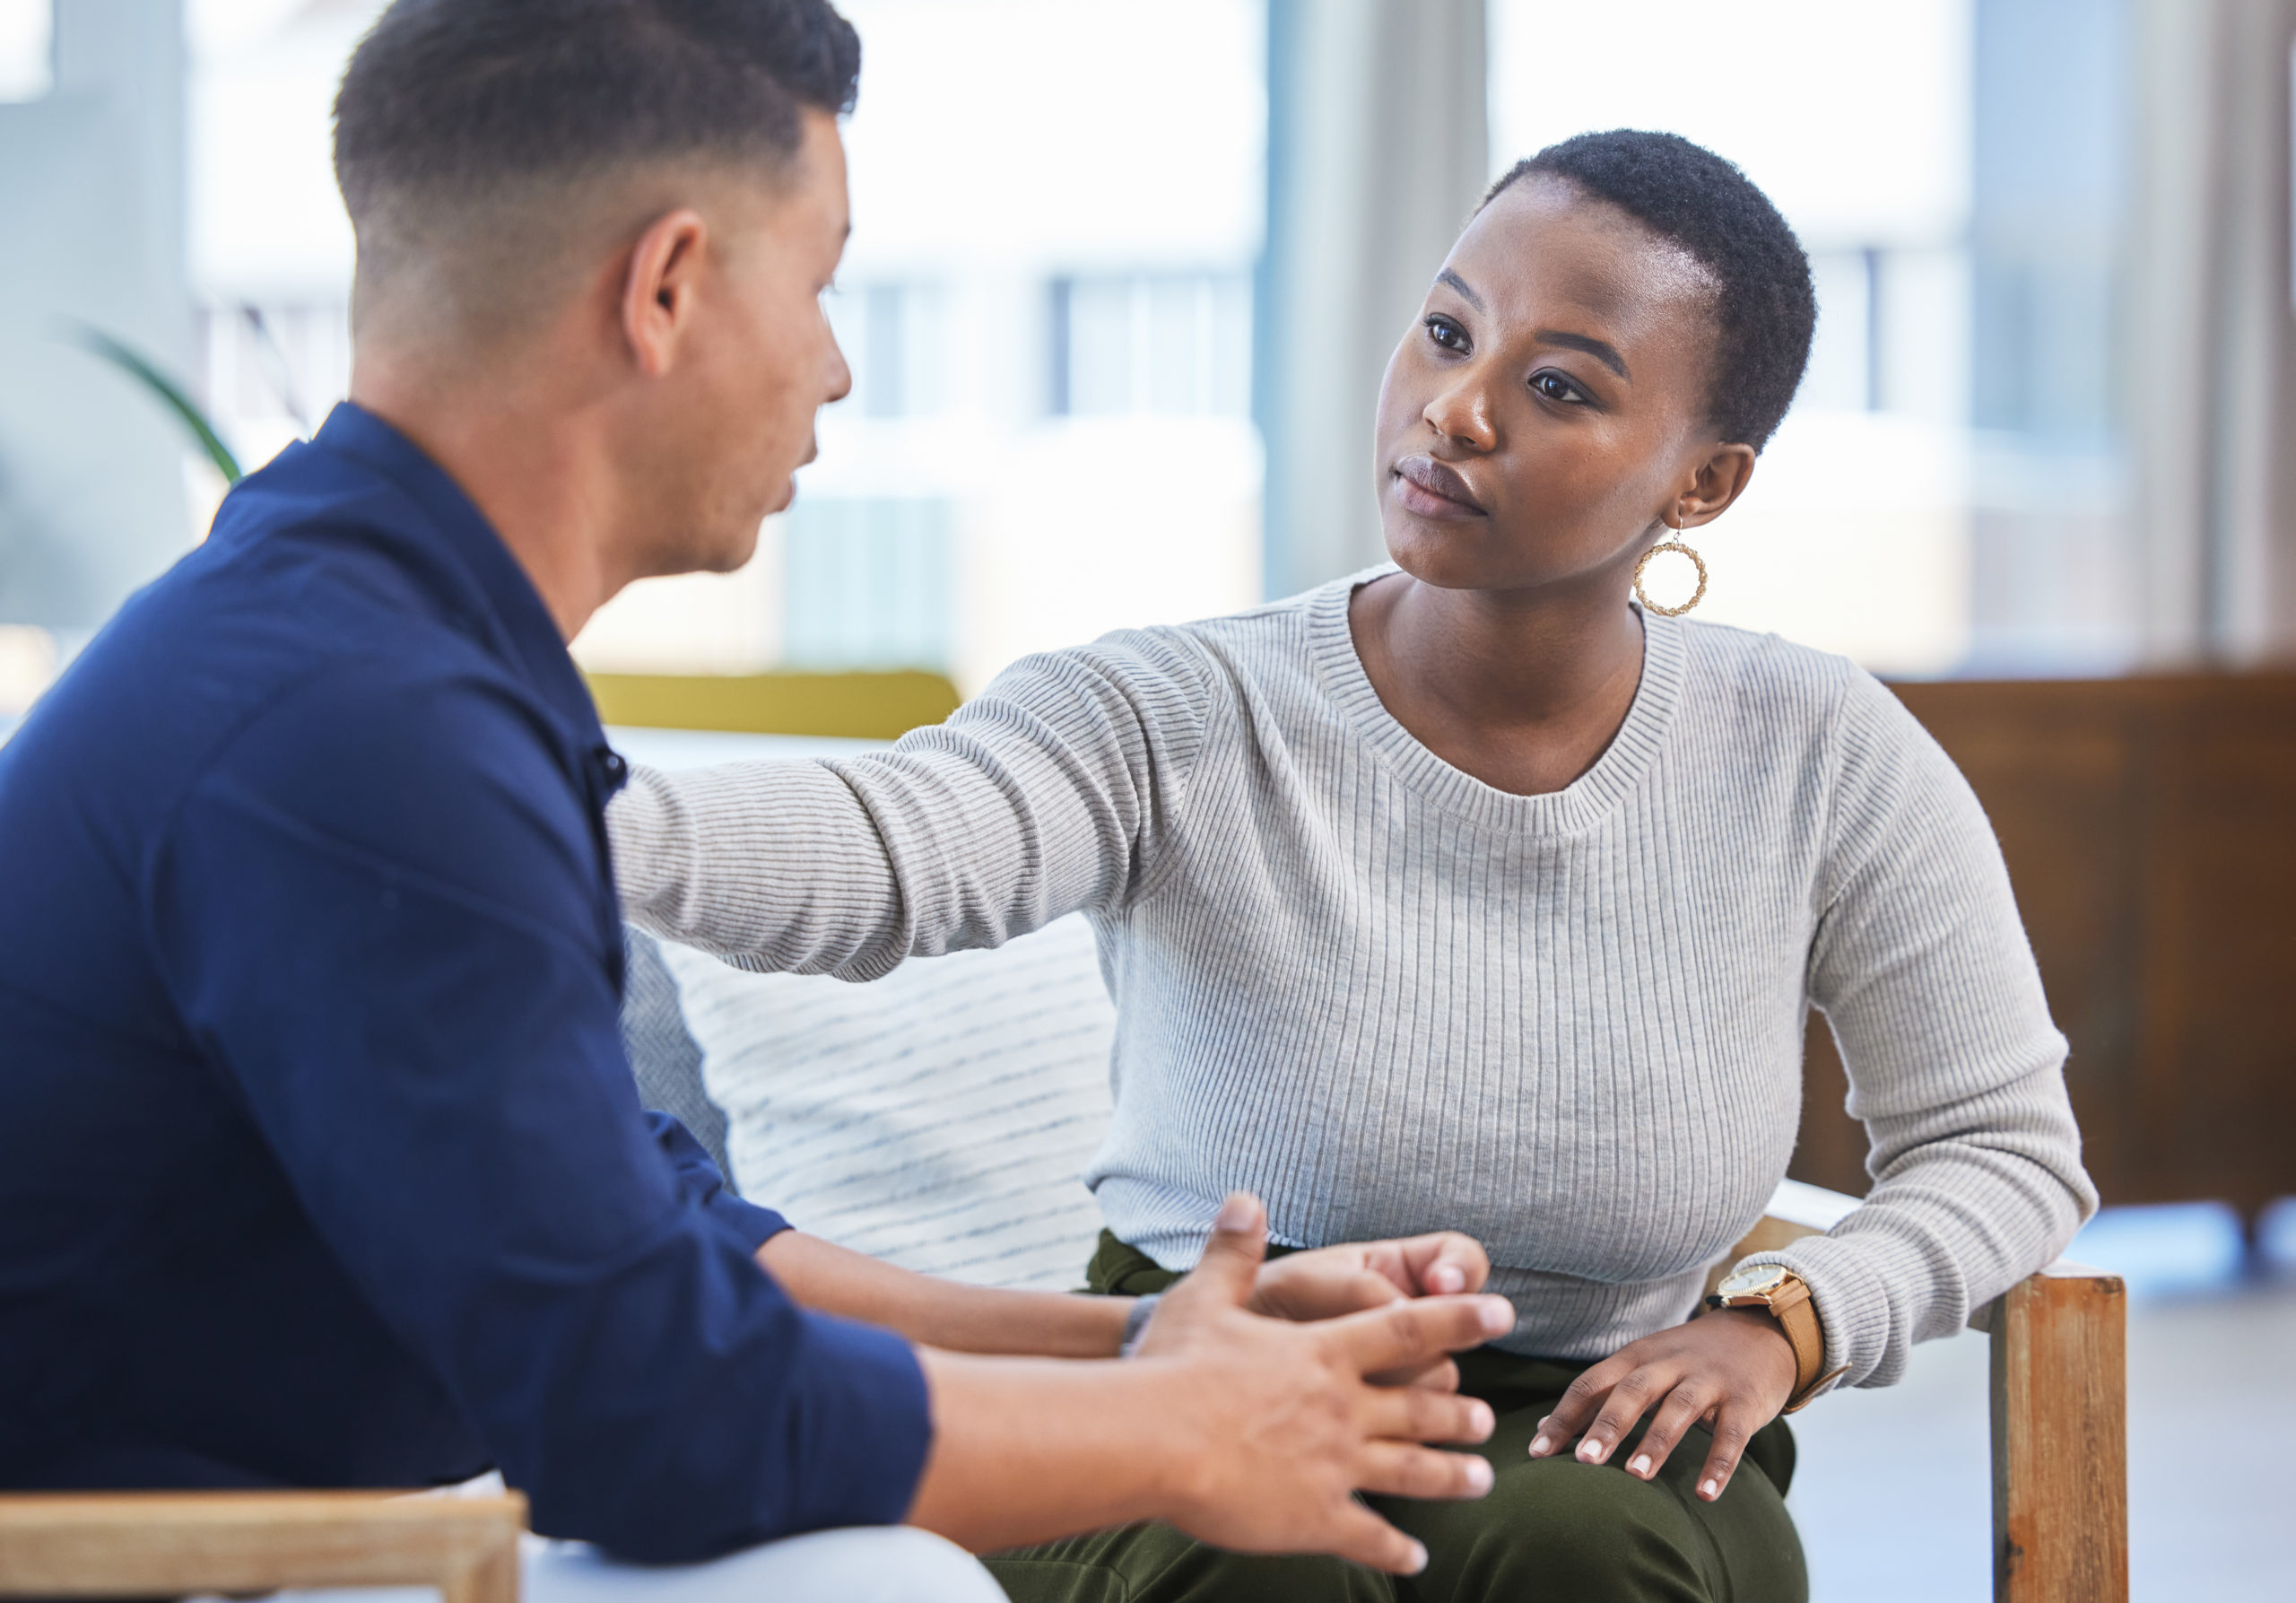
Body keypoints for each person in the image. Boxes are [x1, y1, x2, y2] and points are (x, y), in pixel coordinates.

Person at [0, 2, 1527, 1597]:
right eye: (817, 284)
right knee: (877, 1583)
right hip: (108, 1564)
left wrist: (1137, 1346)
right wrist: (1191, 1436)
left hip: (249, 1533)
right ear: (663, 290)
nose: (837, 365)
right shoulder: (356, 724)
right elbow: (648, 1421)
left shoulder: (361, 636)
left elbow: (663, 1239)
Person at [613, 130, 2100, 1600]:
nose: (1454, 410)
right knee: (1272, 1570)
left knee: (1596, 1552)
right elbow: (900, 845)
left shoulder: (1820, 748)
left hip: (1594, 1412)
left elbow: (2005, 1143)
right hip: (1204, 1362)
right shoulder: (1173, 708)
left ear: (1702, 484)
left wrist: (1787, 1323)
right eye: (1448, 331)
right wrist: (549, 806)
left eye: (1559, 385)